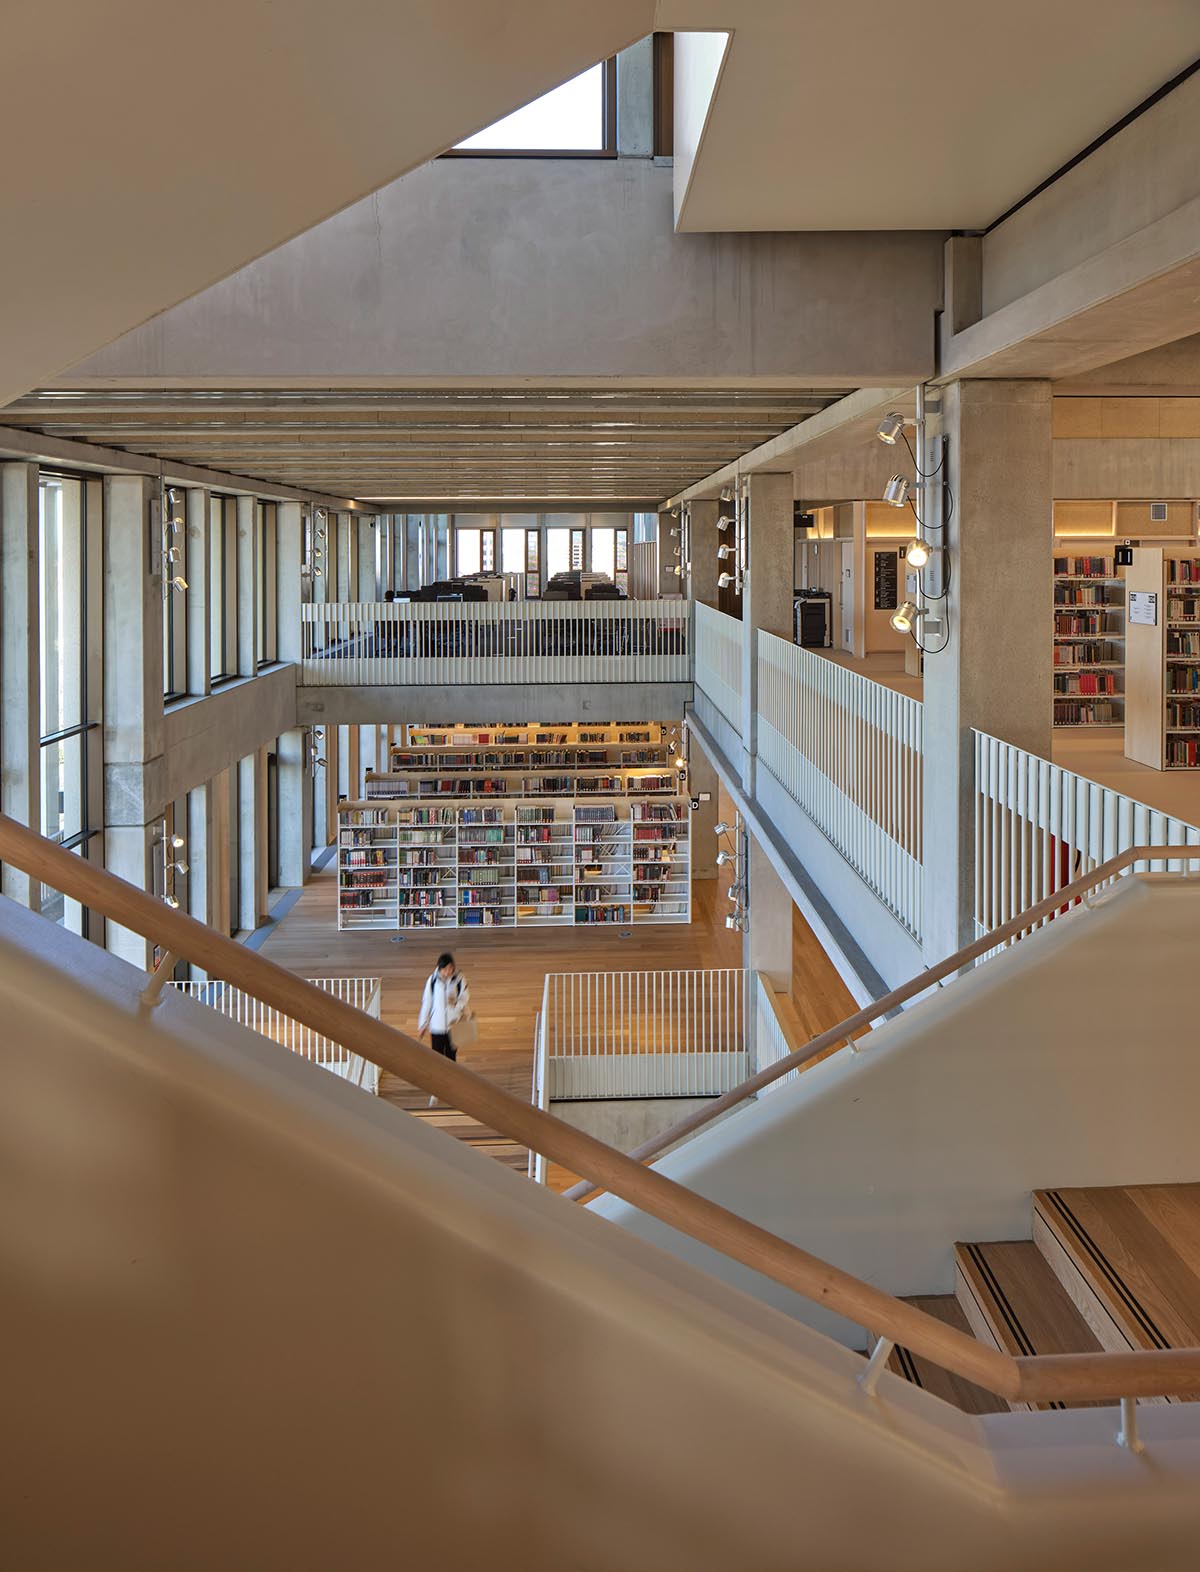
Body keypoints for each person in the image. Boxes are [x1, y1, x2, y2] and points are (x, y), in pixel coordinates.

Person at [417, 953, 470, 1106]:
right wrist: (423, 1024)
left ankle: (452, 1088)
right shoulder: (432, 981)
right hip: (437, 1026)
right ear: (440, 969)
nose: (449, 972)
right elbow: (427, 1002)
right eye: (446, 969)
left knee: (451, 1057)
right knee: (437, 1059)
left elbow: (465, 997)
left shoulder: (459, 979)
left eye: (451, 968)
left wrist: (457, 1006)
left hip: (454, 1024)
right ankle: (436, 1091)